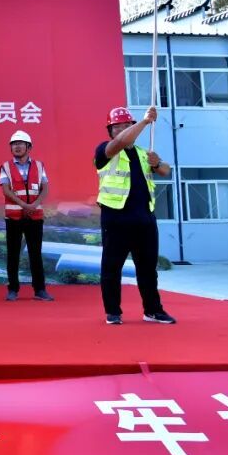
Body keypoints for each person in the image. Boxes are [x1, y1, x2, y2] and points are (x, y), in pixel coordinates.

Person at [96, 106, 175, 325]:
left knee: (148, 268)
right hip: (116, 218)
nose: (122, 130)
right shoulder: (105, 150)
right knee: (112, 268)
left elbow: (165, 170)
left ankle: (153, 310)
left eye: (126, 125)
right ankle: (113, 312)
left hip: (145, 219)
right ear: (110, 131)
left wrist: (157, 163)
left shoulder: (142, 153)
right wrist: (145, 121)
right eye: (117, 127)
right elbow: (122, 141)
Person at [0, 130, 53, 302]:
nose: (17, 146)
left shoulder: (39, 166)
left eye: (21, 143)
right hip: (14, 217)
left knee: (35, 254)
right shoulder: (5, 167)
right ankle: (12, 289)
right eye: (14, 144)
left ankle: (40, 290)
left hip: (35, 217)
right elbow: (6, 190)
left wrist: (34, 205)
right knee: (13, 254)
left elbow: (45, 188)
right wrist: (24, 205)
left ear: (29, 147)